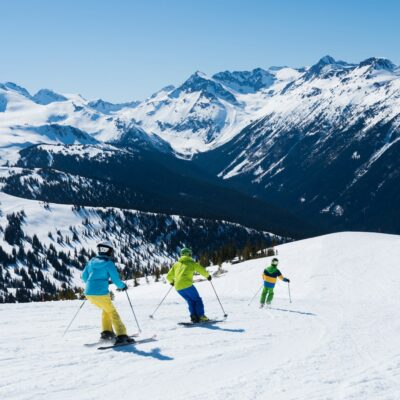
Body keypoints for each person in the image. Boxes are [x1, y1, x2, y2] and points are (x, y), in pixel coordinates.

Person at [82, 240, 134, 345]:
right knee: (113, 312)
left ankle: (107, 333)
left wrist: (91, 285)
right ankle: (122, 335)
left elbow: (84, 276)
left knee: (106, 310)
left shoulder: (91, 261)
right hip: (100, 293)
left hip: (88, 293)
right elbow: (115, 279)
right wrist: (122, 286)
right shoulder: (108, 263)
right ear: (109, 251)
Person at [167, 247, 211, 323]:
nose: (191, 255)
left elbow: (168, 276)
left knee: (190, 300)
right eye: (190, 253)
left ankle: (193, 317)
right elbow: (201, 270)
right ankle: (201, 316)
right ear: (188, 254)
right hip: (187, 285)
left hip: (178, 287)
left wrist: (172, 282)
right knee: (197, 300)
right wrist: (208, 276)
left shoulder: (176, 264)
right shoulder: (192, 263)